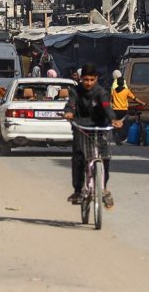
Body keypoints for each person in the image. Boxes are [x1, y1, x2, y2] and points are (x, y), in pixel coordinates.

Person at [65, 65, 122, 210]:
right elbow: (70, 105)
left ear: (96, 79)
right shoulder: (75, 91)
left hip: (99, 128)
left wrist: (113, 119)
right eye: (85, 80)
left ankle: (103, 187)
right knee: (78, 157)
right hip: (81, 128)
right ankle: (78, 190)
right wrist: (69, 113)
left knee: (105, 157)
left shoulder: (101, 92)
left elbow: (106, 106)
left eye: (91, 80)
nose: (88, 83)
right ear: (80, 79)